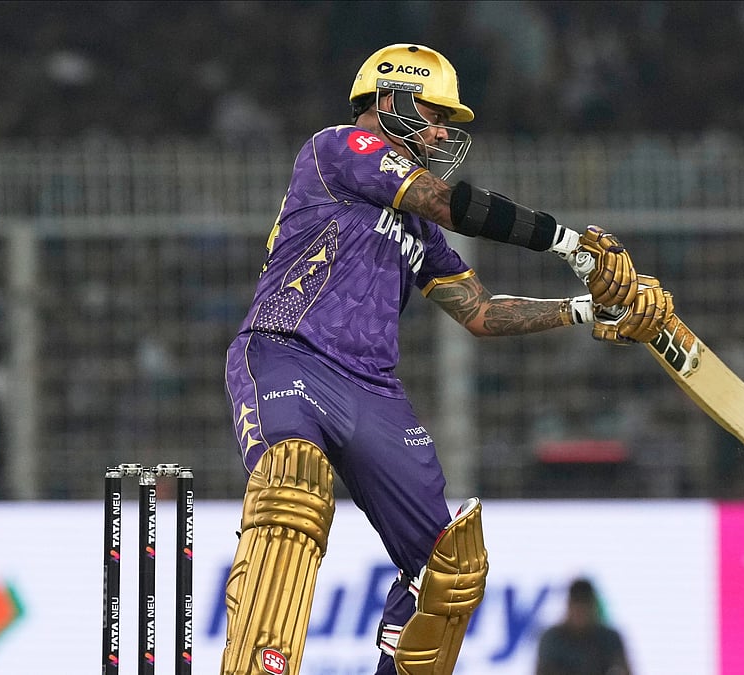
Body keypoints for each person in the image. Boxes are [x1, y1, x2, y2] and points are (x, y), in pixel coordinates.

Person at [219, 43, 674, 675]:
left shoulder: (420, 229)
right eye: (432, 113)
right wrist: (571, 243)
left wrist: (587, 310)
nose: (439, 131)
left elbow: (480, 313)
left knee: (448, 565)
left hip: (370, 389)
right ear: (387, 100)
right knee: (293, 483)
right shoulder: (337, 150)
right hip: (289, 354)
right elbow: (444, 200)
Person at [536, 577, 632, 675]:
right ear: (569, 608)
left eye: (584, 609)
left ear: (593, 608)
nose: (580, 615)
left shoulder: (609, 639)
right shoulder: (552, 639)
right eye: (577, 609)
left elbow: (624, 669)